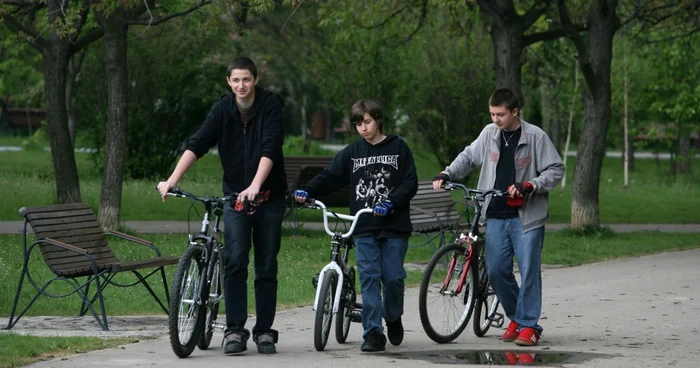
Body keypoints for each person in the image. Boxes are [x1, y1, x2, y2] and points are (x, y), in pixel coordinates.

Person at [157, 57, 286, 356]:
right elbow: (198, 143)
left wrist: (255, 185)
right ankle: (234, 331)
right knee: (236, 260)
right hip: (234, 198)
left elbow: (270, 145)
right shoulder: (223, 109)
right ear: (228, 81)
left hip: (268, 196)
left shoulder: (270, 105)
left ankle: (265, 331)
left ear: (255, 79)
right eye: (236, 80)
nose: (242, 85)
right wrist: (172, 180)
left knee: (266, 264)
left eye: (247, 80)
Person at [432, 88, 565, 346]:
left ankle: (528, 327)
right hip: (494, 214)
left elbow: (556, 168)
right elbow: (469, 157)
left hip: (526, 216)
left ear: (515, 111)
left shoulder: (536, 136)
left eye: (501, 114)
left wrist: (531, 185)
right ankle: (516, 317)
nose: (496, 119)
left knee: (528, 271)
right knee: (495, 270)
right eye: (492, 114)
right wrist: (447, 173)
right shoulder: (489, 133)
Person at [293, 99, 418, 352]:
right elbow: (330, 176)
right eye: (358, 124)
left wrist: (390, 202)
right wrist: (307, 191)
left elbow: (410, 183)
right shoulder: (353, 152)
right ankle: (373, 333)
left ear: (378, 119)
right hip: (363, 226)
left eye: (368, 122)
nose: (363, 128)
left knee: (393, 278)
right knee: (370, 277)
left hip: (393, 225)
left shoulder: (398, 147)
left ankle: (393, 317)